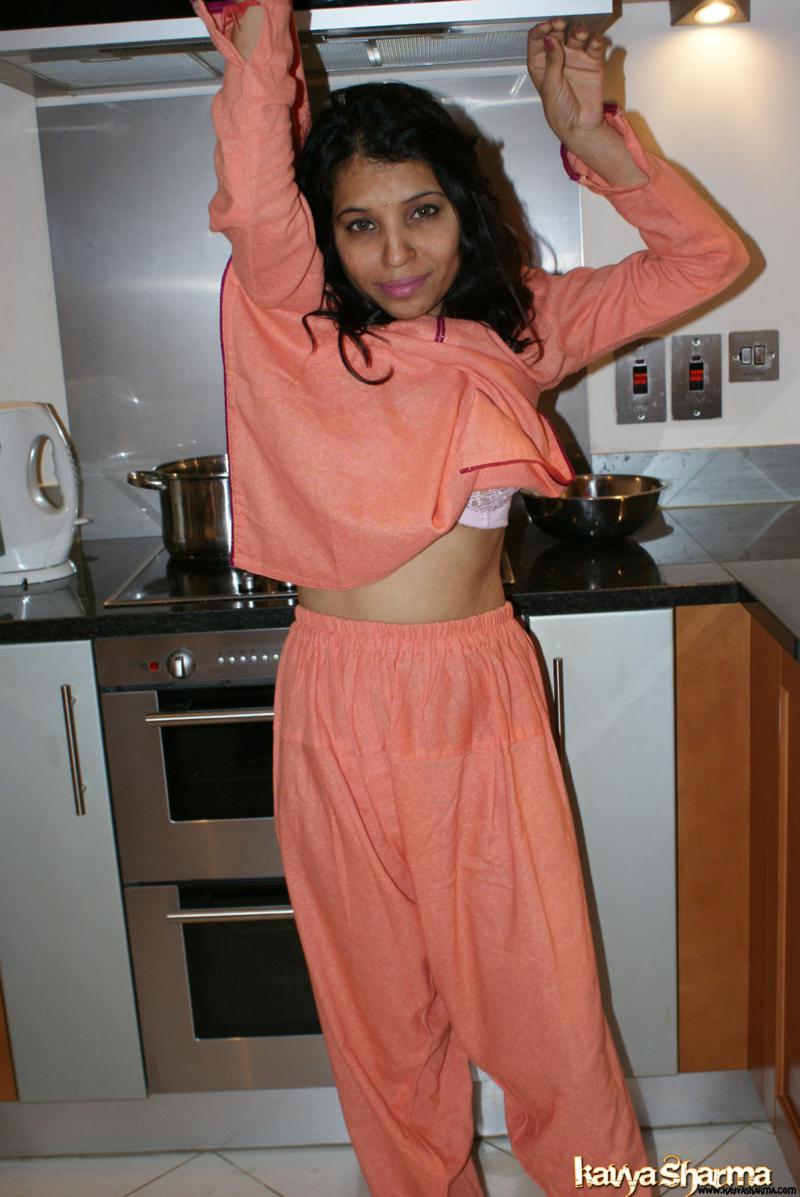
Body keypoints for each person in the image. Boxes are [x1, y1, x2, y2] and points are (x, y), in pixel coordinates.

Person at [193, 2, 749, 1193]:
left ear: (465, 209)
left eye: (423, 212)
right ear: (323, 237)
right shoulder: (290, 324)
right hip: (335, 701)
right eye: (359, 224)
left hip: (473, 697)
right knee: (381, 1022)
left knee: (541, 1007)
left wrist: (590, 133)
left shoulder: (517, 329)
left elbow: (704, 261)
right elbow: (255, 195)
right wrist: (261, 41)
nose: (395, 254)